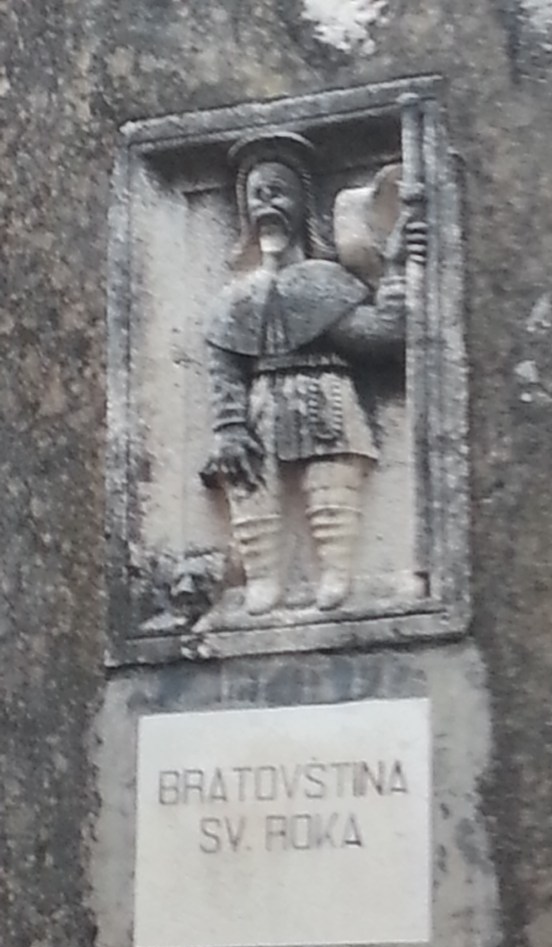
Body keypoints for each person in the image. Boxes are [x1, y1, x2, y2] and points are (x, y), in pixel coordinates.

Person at [200, 131, 414, 614]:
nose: (268, 203)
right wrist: (229, 427)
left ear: (303, 202)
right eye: (258, 194)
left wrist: (398, 270)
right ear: (245, 210)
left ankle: (336, 575)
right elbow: (225, 367)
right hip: (261, 406)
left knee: (331, 488)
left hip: (325, 396)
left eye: (279, 191)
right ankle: (263, 579)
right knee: (250, 485)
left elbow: (381, 335)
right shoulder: (236, 298)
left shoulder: (325, 282)